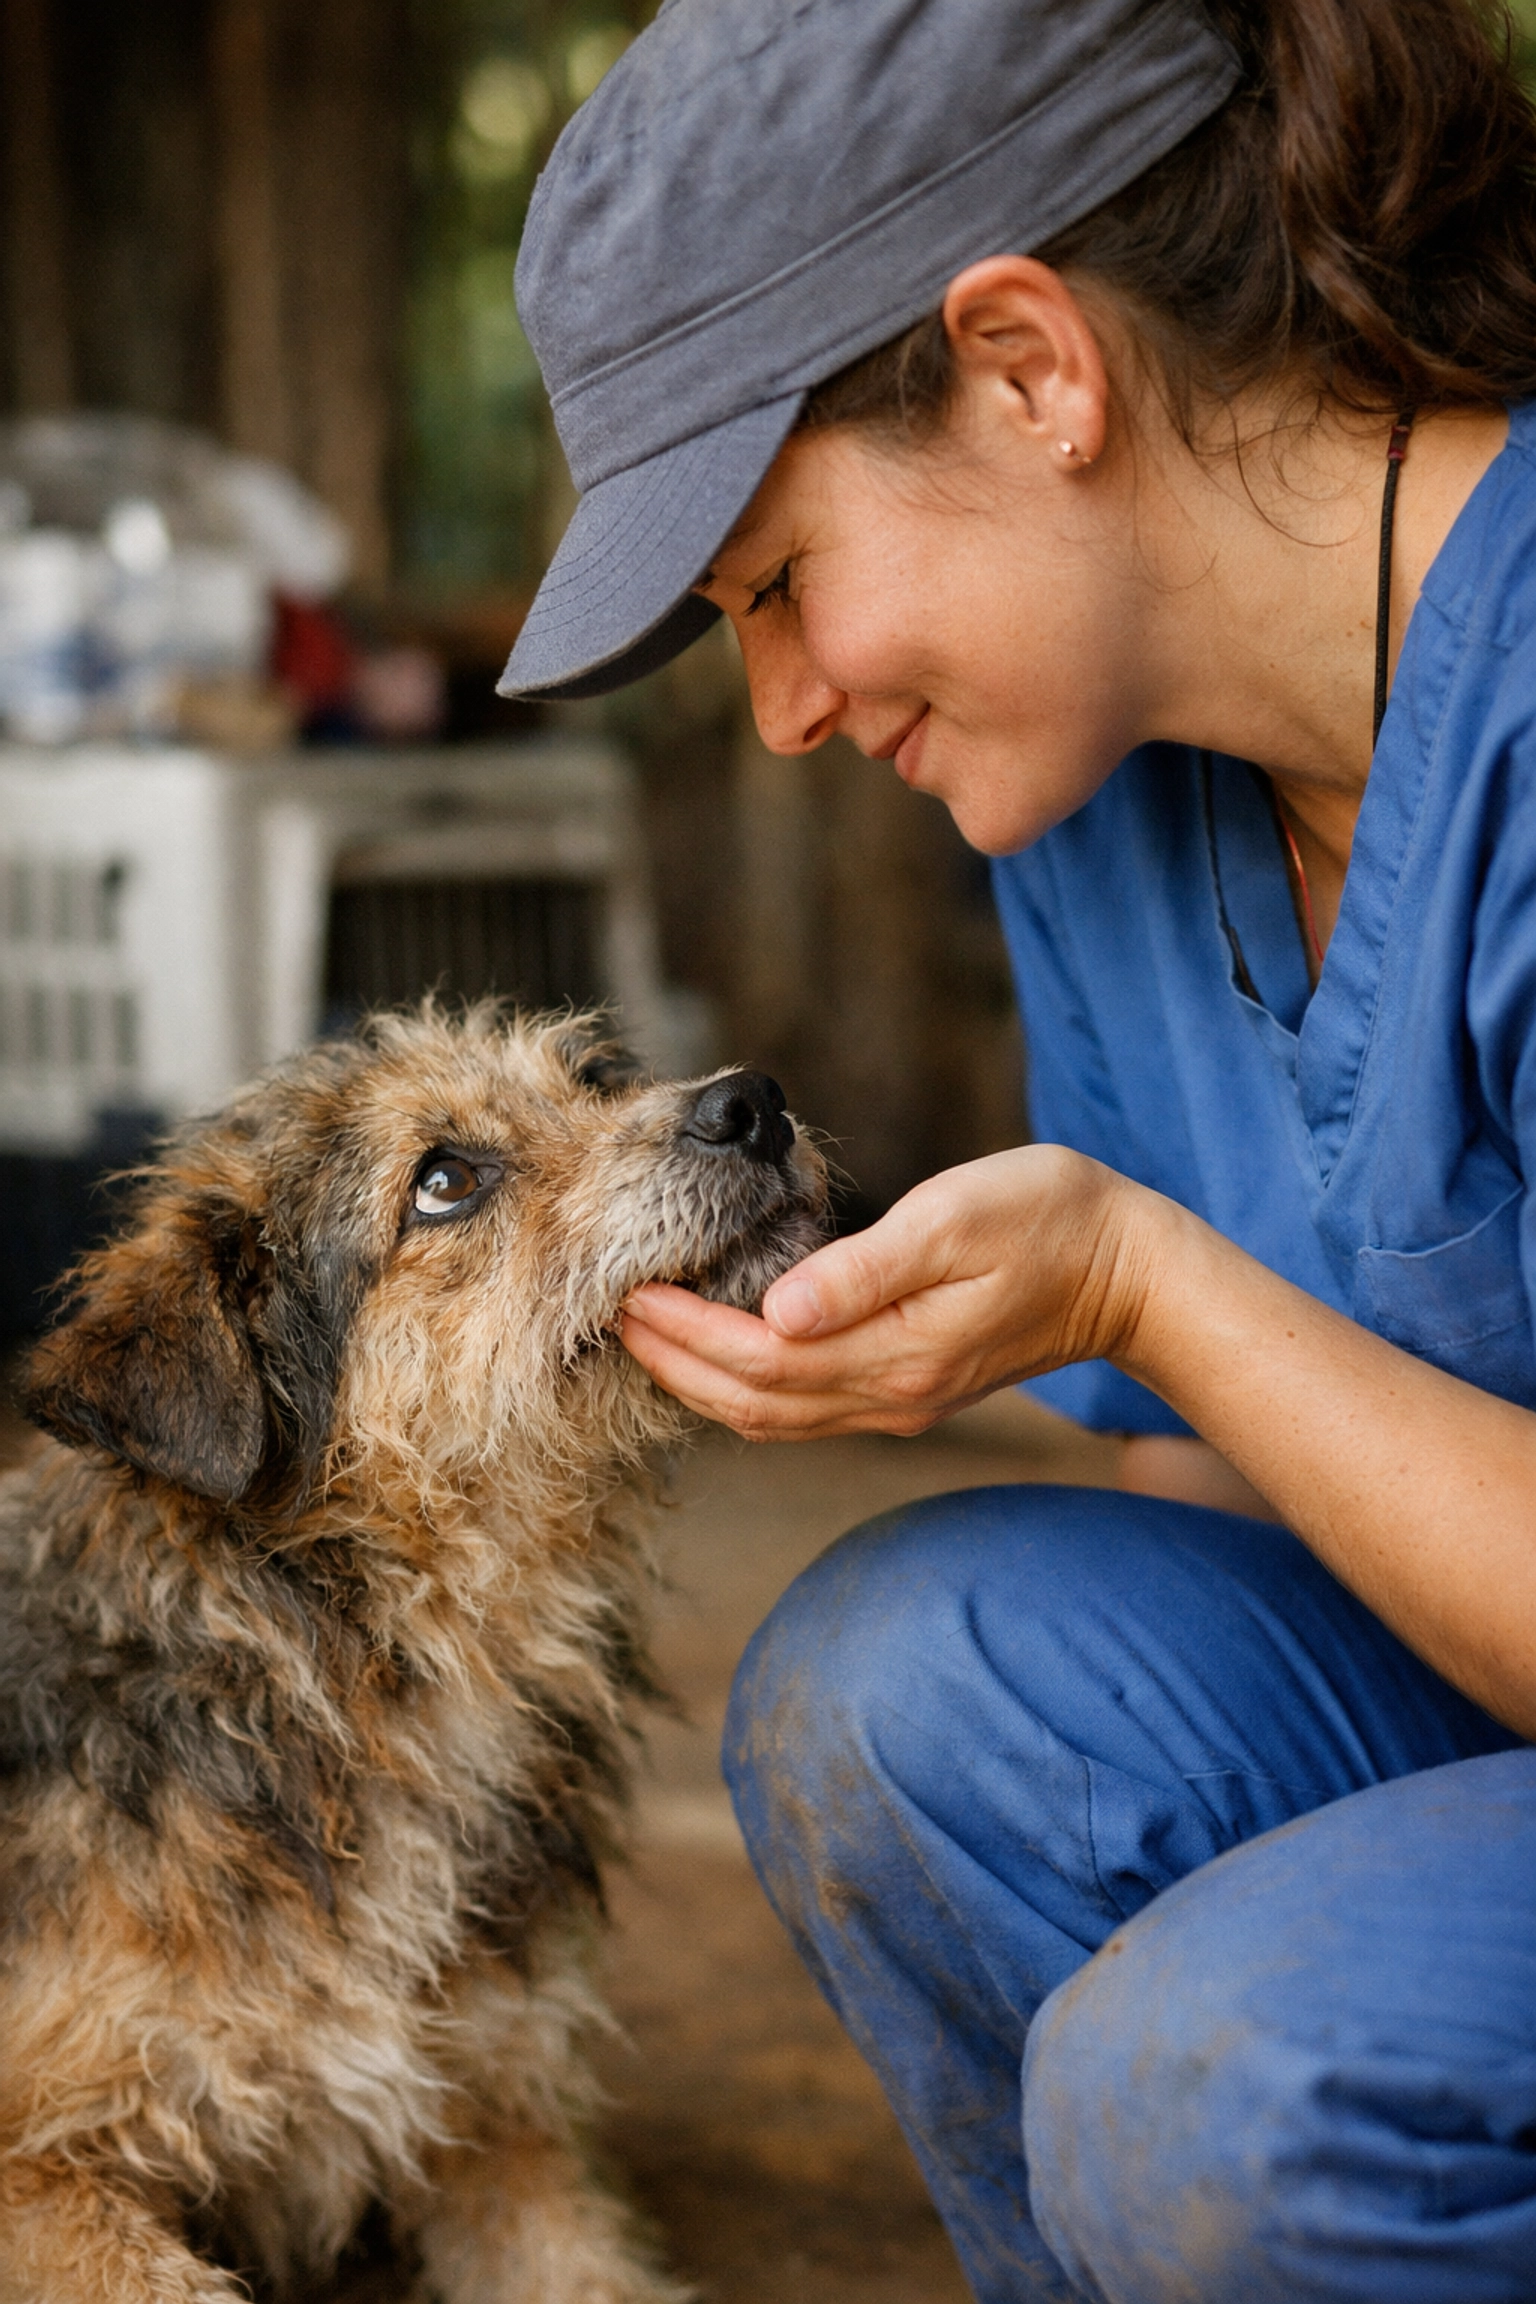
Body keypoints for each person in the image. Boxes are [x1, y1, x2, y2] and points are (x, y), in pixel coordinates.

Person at [496, 1, 1536, 2295]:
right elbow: (1211, 1511)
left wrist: (1147, 1279)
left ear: (1031, 370)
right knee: (903, 1678)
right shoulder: (1097, 783)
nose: (777, 713)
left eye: (773, 586)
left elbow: (1189, 1315)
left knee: (1243, 2075)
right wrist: (1062, 1329)